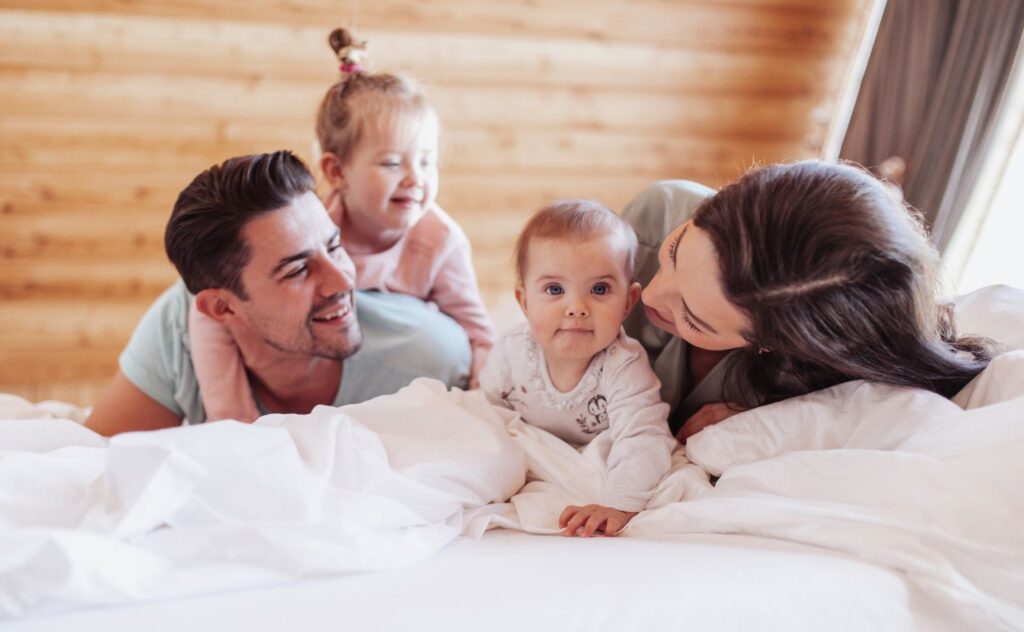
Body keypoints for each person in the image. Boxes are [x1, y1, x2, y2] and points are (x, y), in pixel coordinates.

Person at [188, 26, 496, 422]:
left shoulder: (441, 241)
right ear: (336, 171)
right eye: (391, 163)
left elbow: (478, 332)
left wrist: (479, 400)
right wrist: (233, 416)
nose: (416, 178)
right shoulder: (309, 227)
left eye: (426, 161)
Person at [85, 151, 471, 436]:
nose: (342, 281)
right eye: (298, 270)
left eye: (334, 247)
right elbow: (94, 464)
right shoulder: (178, 329)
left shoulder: (432, 360)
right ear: (220, 307)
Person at [621, 160, 992, 442]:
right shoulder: (658, 213)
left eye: (692, 317)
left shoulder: (821, 378)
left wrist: (768, 421)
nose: (649, 294)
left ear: (773, 344)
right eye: (674, 251)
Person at [480, 200, 676, 538]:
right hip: (534, 454)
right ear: (524, 302)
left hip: (591, 463)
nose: (576, 308)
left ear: (628, 302)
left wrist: (619, 503)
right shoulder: (511, 353)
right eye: (554, 290)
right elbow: (487, 417)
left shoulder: (623, 365)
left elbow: (644, 438)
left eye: (599, 289)